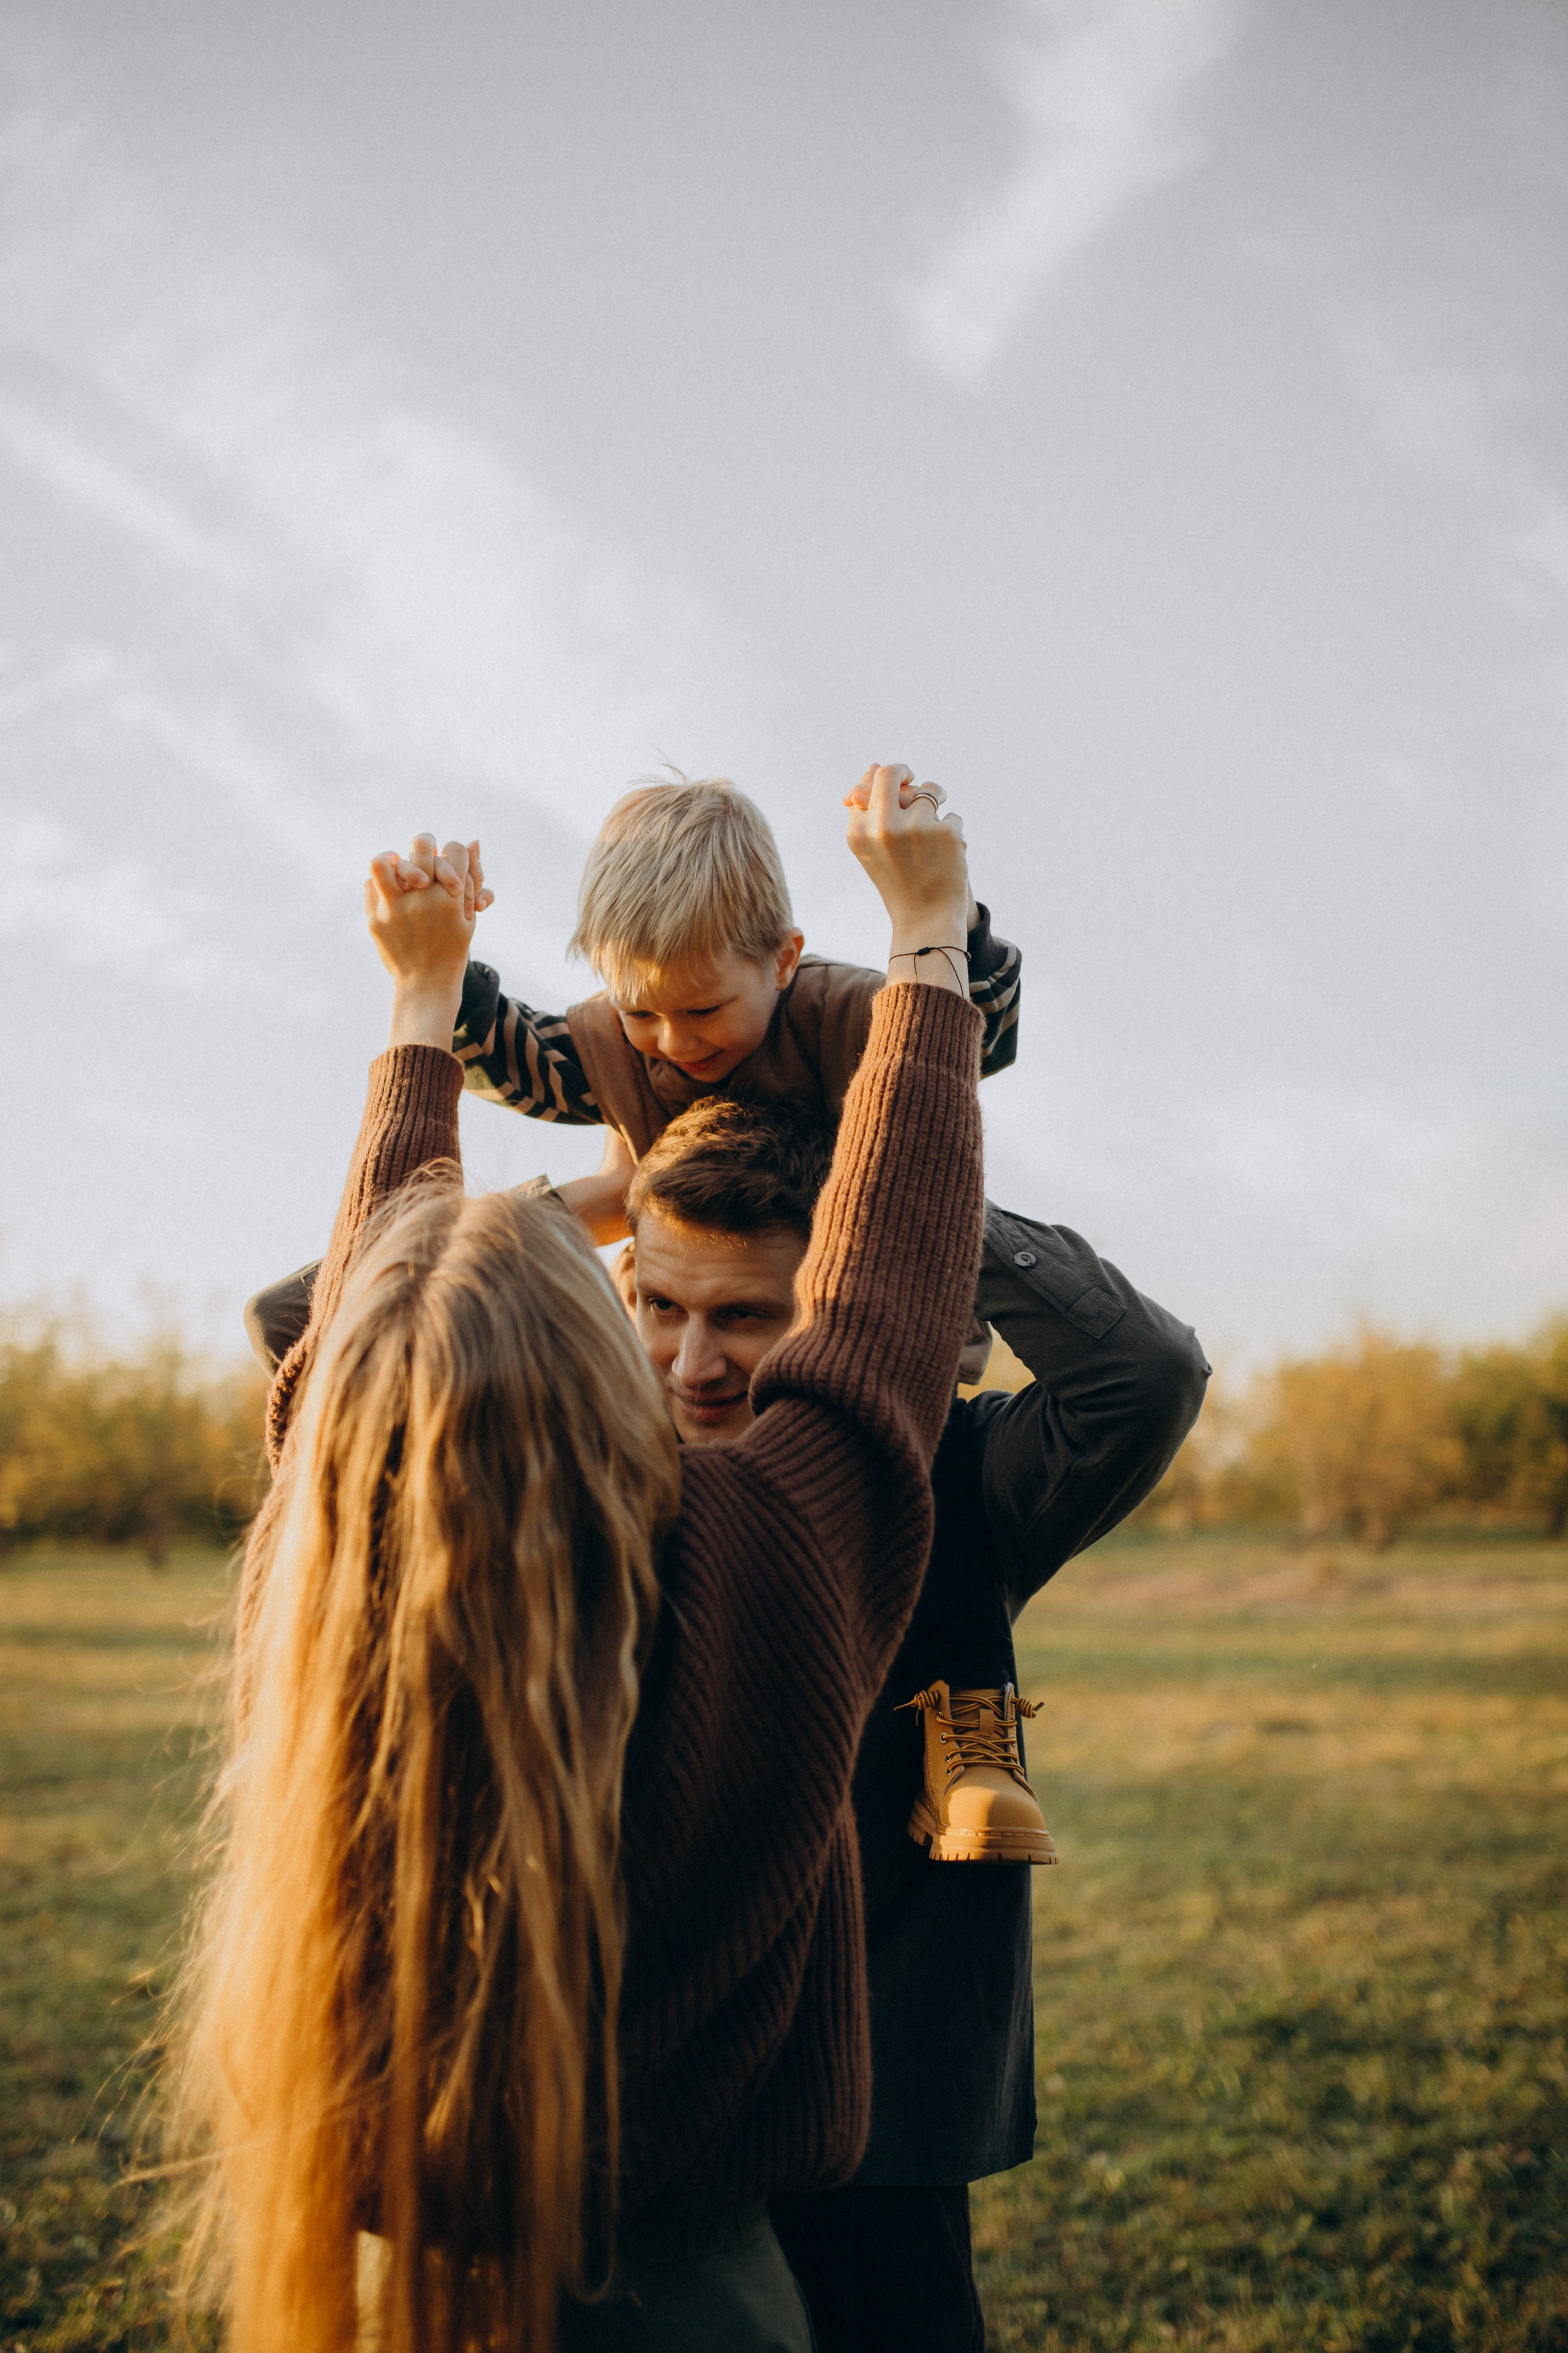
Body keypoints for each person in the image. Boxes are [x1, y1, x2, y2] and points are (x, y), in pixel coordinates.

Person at [173, 769, 988, 2353]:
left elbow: (357, 1341)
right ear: (611, 1352)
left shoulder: (340, 1588)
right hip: (690, 2298)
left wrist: (420, 1009)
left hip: (395, 2281)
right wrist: (930, 936)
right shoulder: (774, 1564)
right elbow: (891, 1280)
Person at [606, 1095, 1208, 2352]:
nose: (692, 1364)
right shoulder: (579, 1475)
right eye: (663, 1307)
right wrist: (603, 1189)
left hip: (876, 2128)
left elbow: (1141, 1375)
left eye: (746, 1316)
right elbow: (299, 1323)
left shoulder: (955, 1479)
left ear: (842, 1303)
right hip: (644, 2106)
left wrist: (897, 1183)